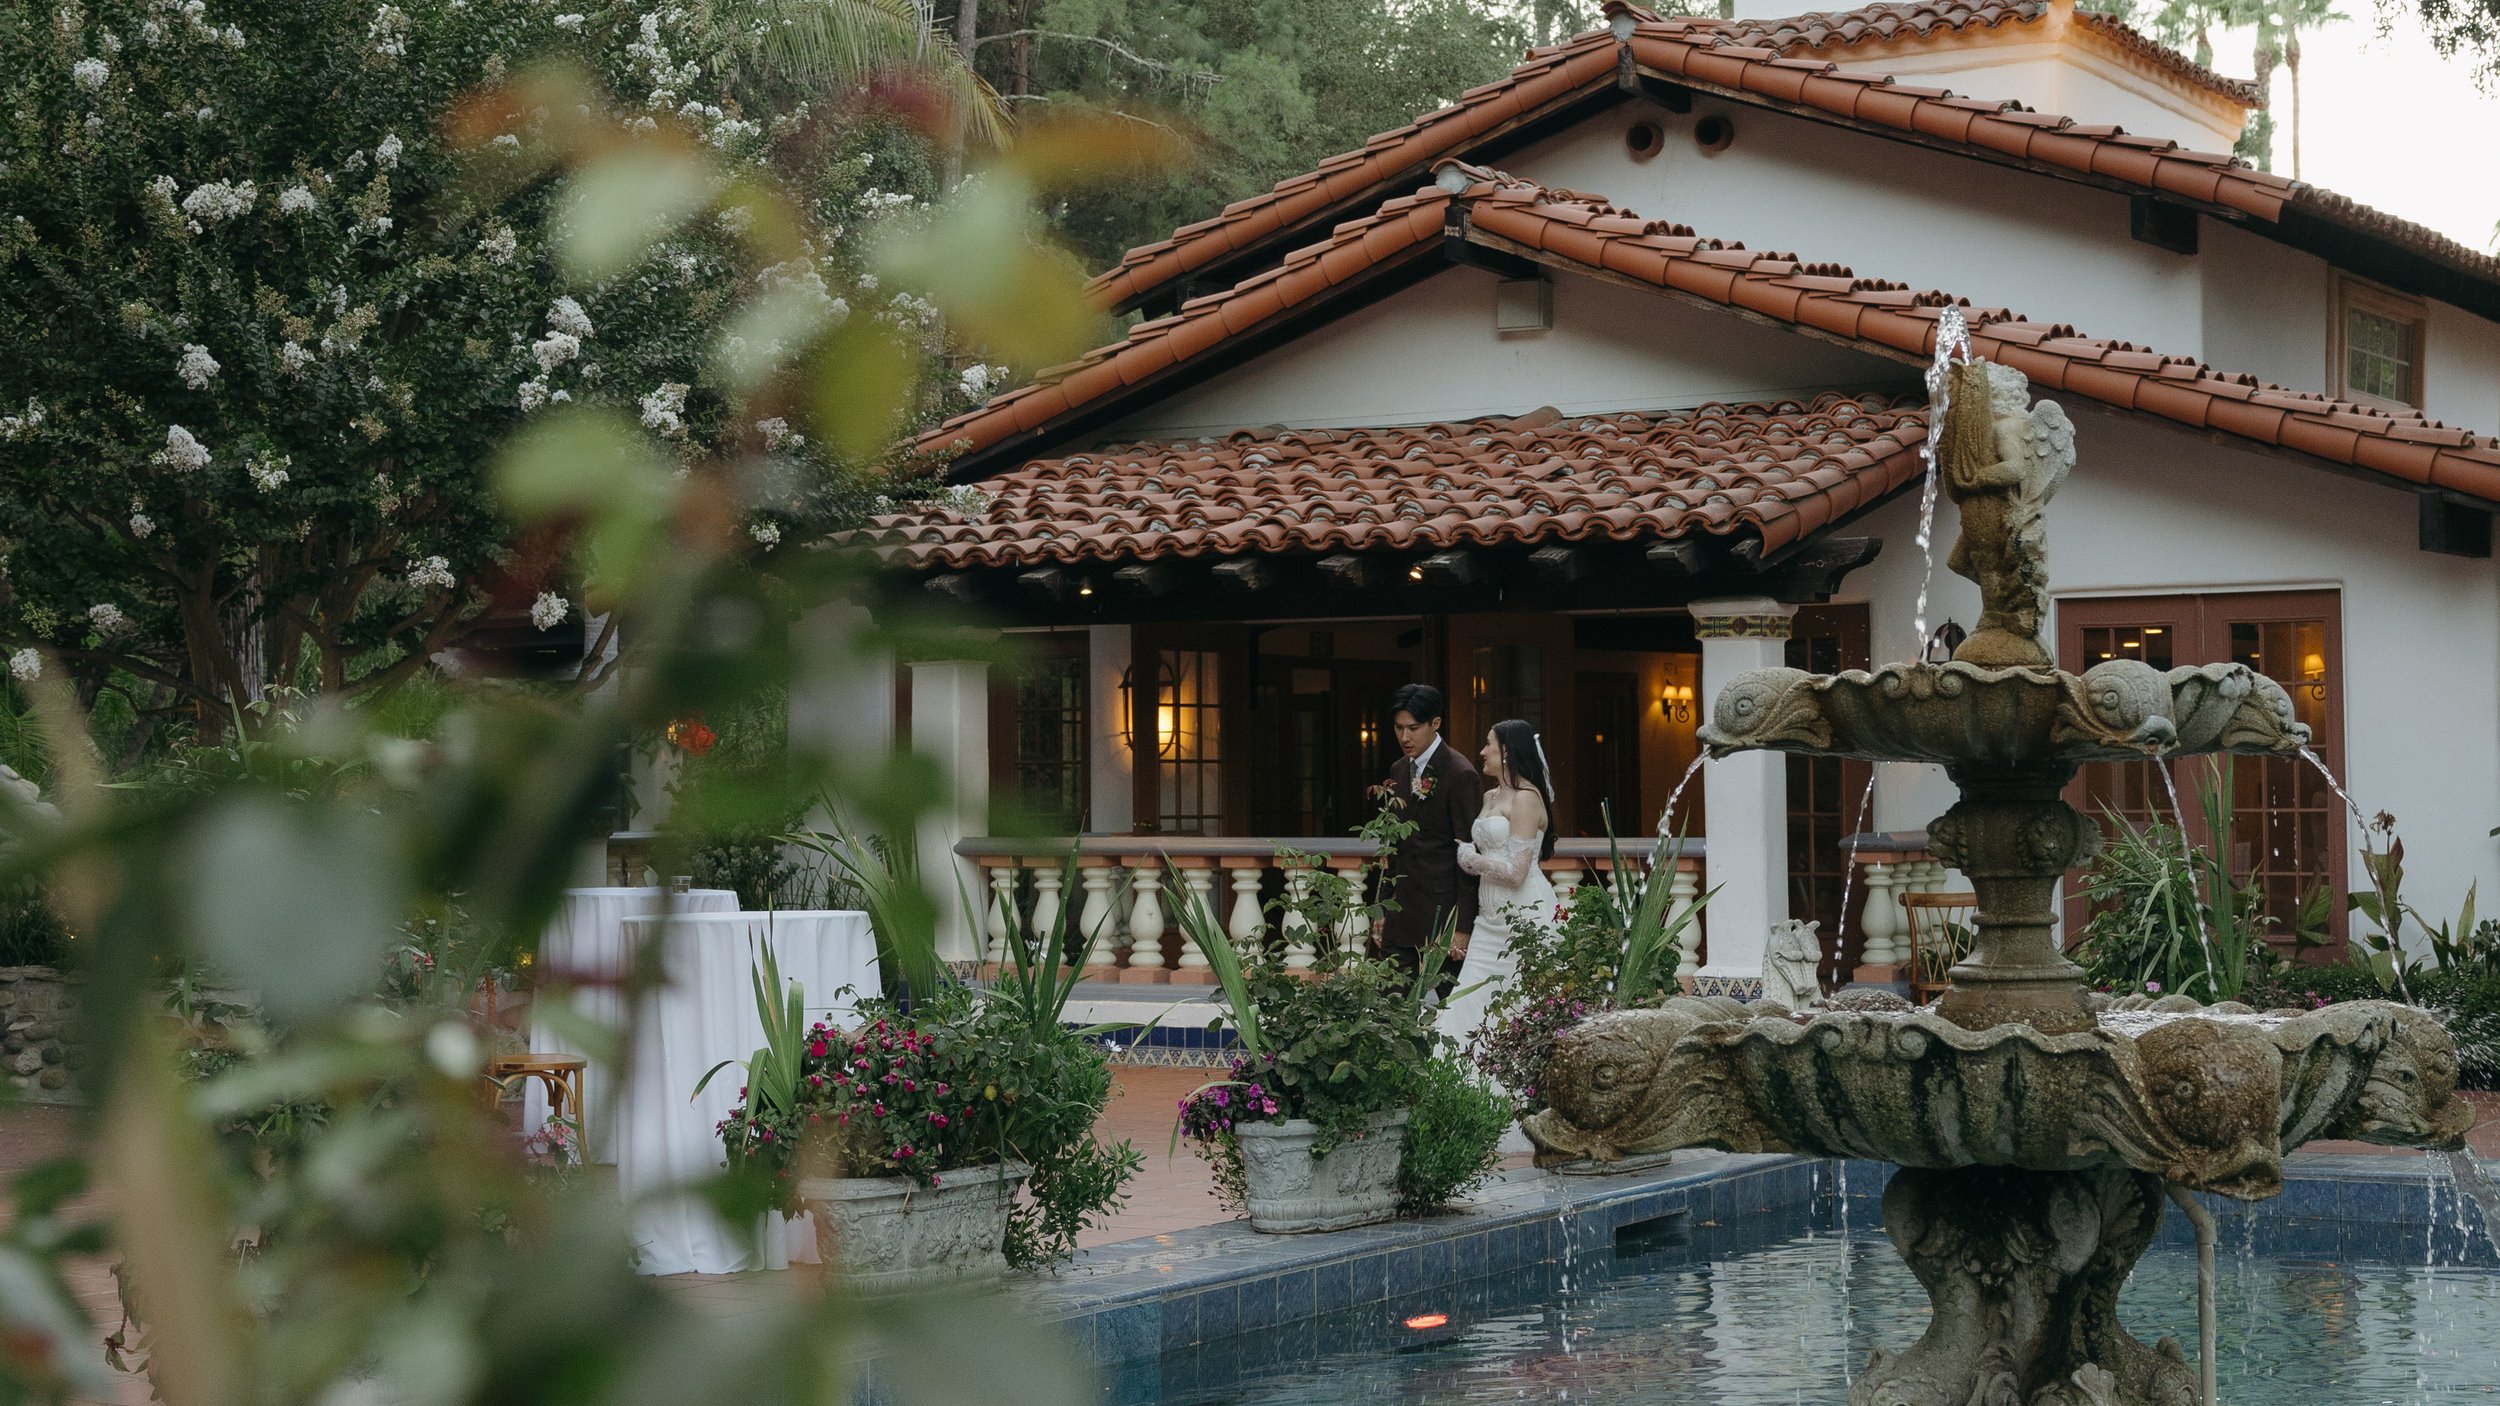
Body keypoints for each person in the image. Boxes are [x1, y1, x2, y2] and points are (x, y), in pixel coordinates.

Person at [1437, 719, 1559, 1054]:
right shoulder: (1491, 795)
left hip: (1523, 919)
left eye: (1488, 743)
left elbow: (1517, 872)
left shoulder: (1527, 799)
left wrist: (1470, 859)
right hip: (1488, 921)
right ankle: (1456, 1085)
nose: (1482, 751)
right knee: (1466, 998)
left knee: (1517, 1004)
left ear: (1507, 751)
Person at [1376, 684, 1481, 975]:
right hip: (1402, 912)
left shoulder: (1460, 773)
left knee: (1450, 1007)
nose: (1404, 737)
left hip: (1443, 913)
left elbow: (1469, 854)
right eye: (1398, 728)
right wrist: (1384, 905)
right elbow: (1395, 845)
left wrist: (1462, 927)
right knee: (1389, 1004)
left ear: (1435, 723)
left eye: (1413, 728)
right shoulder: (1399, 769)